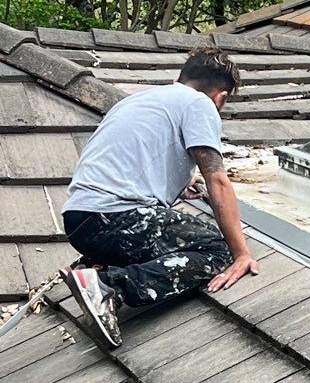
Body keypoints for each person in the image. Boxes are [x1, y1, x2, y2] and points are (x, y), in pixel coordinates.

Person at [60, 47, 258, 348]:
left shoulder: (142, 99)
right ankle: (109, 288)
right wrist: (241, 254)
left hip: (80, 220)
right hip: (113, 217)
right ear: (221, 97)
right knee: (216, 248)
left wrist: (179, 181)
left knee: (172, 236)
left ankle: (95, 264)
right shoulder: (200, 104)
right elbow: (217, 179)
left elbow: (136, 159)